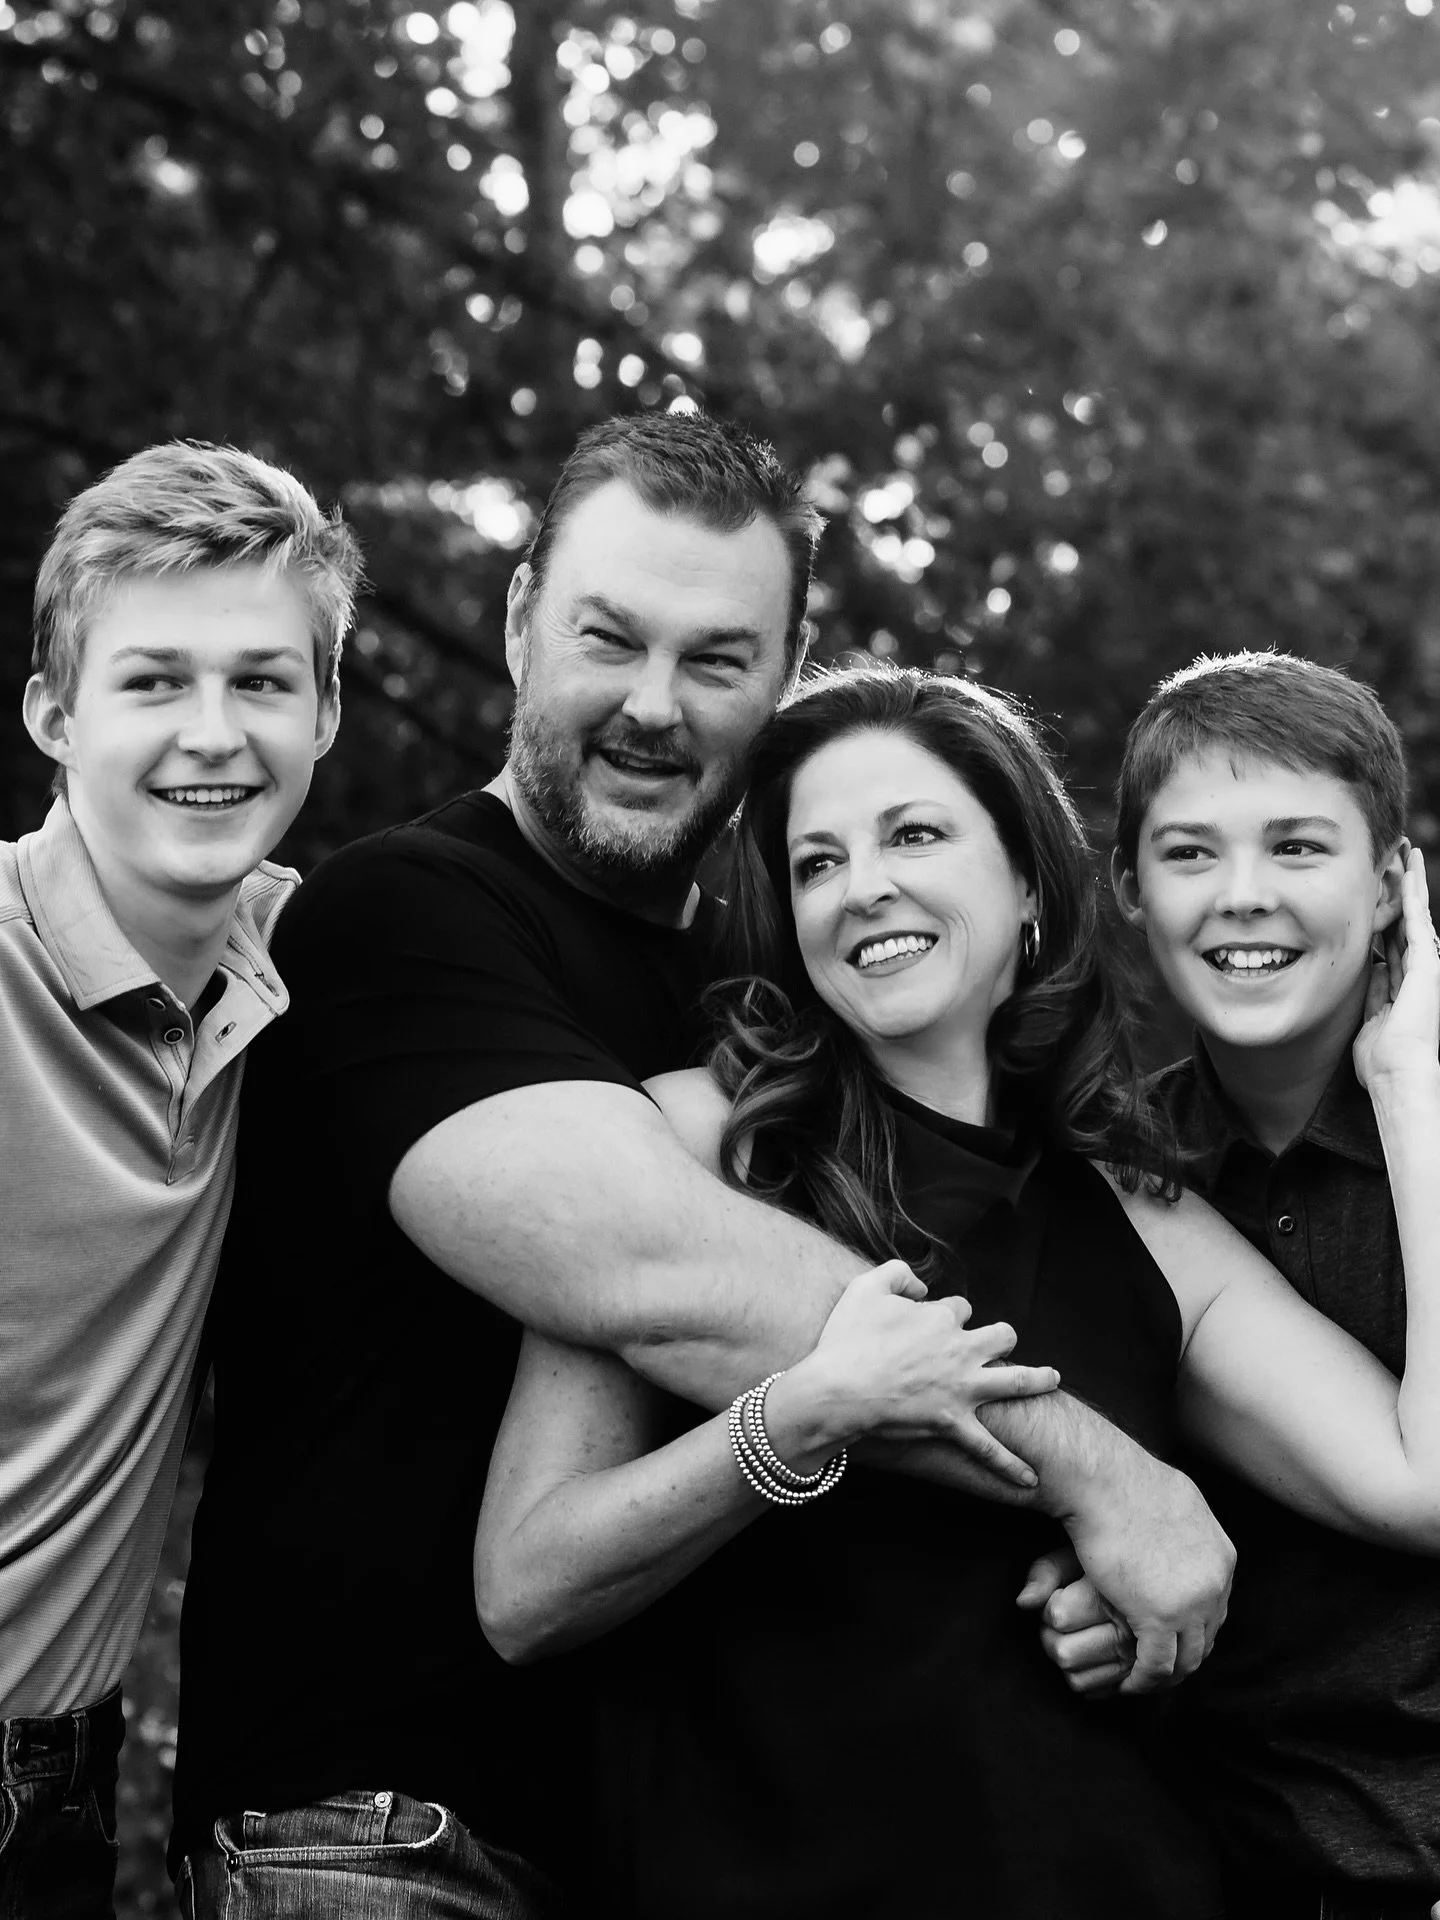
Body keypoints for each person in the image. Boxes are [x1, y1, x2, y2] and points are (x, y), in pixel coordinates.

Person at [171, 413, 1236, 1918]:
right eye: (611, 638)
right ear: (521, 618)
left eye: (719, 661)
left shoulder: (769, 1002)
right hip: (384, 1829)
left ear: (782, 680)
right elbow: (657, 1274)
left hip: (649, 1838)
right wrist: (1103, 1483)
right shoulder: (400, 914)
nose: (655, 706)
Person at [474, 664, 1440, 1920]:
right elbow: (524, 1591)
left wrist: (1406, 1083)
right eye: (817, 862)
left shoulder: (1150, 1212)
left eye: (915, 834)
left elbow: (1421, 1484)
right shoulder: (692, 1150)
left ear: (1031, 880)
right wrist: (794, 1423)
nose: (864, 884)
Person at [0, 440, 355, 1918]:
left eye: (263, 682)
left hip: (54, 1786)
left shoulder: (310, 958)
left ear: (327, 714)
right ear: (53, 718)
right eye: (153, 681)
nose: (214, 733)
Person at [1028, 651, 1440, 1920]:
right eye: (1192, 854)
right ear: (1131, 893)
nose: (1242, 898)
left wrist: (1411, 1095)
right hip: (1231, 1871)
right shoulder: (1105, 1184)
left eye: (1299, 849)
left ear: (1388, 890)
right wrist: (1085, 1606)